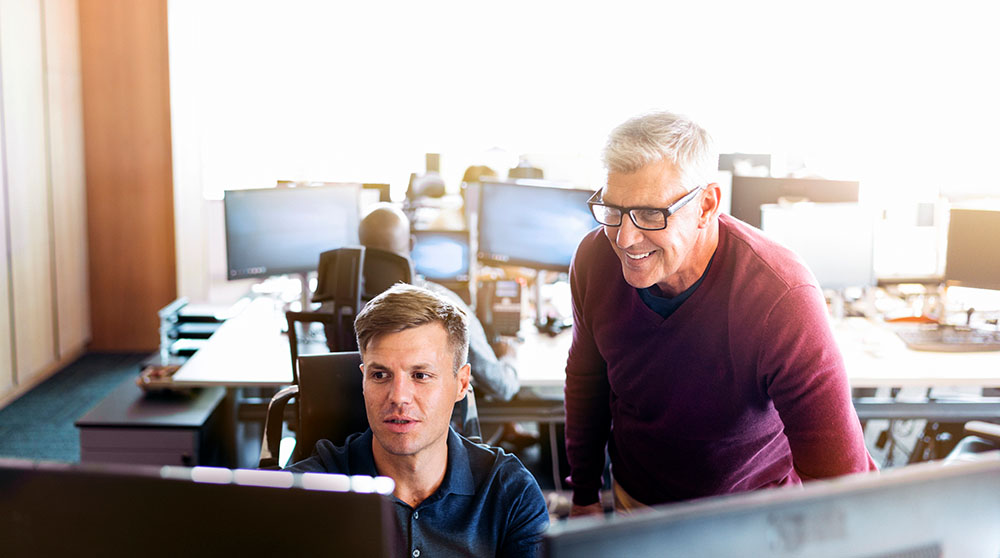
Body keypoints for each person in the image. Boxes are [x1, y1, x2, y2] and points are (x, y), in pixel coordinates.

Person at [565, 111, 876, 516]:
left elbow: (840, 480)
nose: (624, 238)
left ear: (706, 205)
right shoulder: (594, 259)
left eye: (650, 214)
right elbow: (586, 382)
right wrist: (584, 494)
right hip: (636, 503)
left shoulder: (780, 296)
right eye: (613, 209)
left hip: (749, 515)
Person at [287, 283, 549, 556]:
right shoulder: (304, 493)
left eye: (420, 375)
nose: (398, 397)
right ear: (363, 380)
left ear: (461, 384)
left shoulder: (510, 493)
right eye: (380, 375)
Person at [359, 203, 521, 402]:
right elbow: (501, 386)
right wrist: (509, 356)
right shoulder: (445, 305)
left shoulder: (337, 301)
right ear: (411, 244)